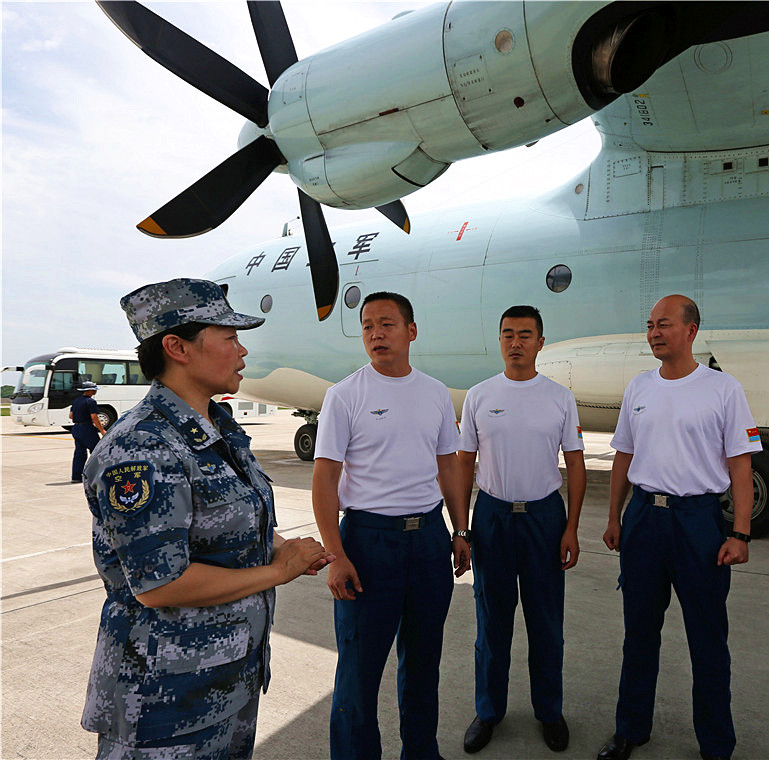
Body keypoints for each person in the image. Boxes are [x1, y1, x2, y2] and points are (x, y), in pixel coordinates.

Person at [81, 278, 333, 759]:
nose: (242, 352)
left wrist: (280, 546)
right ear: (177, 347)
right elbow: (160, 584)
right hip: (162, 703)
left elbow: (235, 519)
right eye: (229, 338)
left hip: (225, 681)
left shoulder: (217, 427)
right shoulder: (144, 448)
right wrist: (281, 570)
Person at [597, 294, 760, 760]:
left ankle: (715, 743)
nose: (653, 333)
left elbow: (740, 465)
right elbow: (623, 456)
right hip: (645, 519)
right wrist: (614, 516)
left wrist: (741, 532)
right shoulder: (639, 388)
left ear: (690, 330)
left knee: (707, 637)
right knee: (639, 632)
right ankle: (630, 728)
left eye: (663, 324)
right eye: (649, 325)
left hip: (699, 523)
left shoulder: (722, 389)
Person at [313, 291, 471, 760]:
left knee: (423, 662)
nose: (375, 334)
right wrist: (336, 554)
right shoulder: (345, 395)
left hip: (428, 538)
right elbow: (325, 478)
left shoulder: (435, 393)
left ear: (411, 331)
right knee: (359, 670)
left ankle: (421, 752)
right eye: (367, 327)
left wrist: (460, 530)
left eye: (386, 324)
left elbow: (449, 466)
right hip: (367, 541)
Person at [458, 305, 586, 754]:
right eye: (509, 334)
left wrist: (570, 527)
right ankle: (488, 711)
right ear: (500, 341)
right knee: (492, 621)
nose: (517, 342)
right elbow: (463, 462)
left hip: (544, 519)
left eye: (526, 335)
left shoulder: (559, 398)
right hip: (492, 517)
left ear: (540, 342)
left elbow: (575, 464)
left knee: (546, 622)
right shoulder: (479, 395)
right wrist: (462, 528)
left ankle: (549, 711)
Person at [70, 380, 106, 482]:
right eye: (94, 390)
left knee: (79, 453)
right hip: (87, 429)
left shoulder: (76, 401)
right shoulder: (91, 402)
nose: (95, 391)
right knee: (96, 452)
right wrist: (102, 430)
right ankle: (97, 475)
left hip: (76, 428)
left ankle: (76, 477)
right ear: (89, 391)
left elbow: (71, 416)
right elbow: (94, 417)